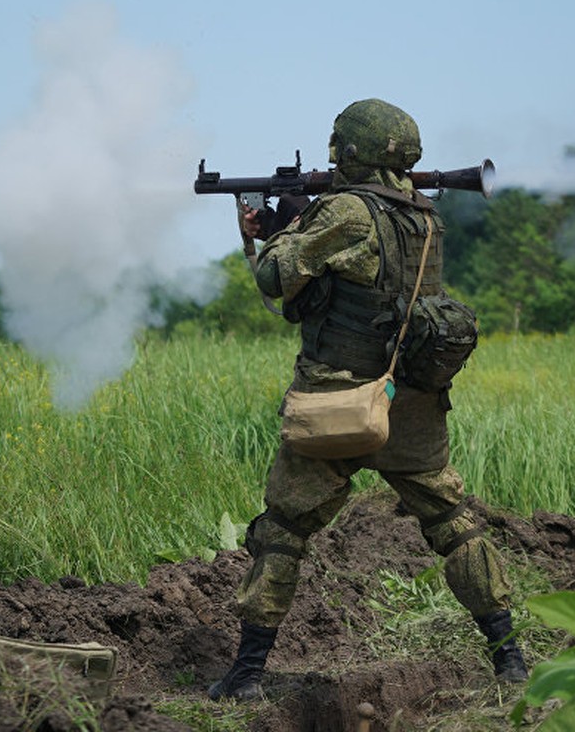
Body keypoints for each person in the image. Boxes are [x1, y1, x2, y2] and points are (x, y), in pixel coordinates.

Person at [207, 98, 527, 702]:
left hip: (341, 398)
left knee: (283, 529)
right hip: (409, 397)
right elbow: (366, 277)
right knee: (451, 521)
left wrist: (283, 229)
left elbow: (276, 280)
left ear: (348, 151)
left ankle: (246, 675)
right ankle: (508, 656)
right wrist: (296, 221)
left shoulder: (347, 210)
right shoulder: (423, 214)